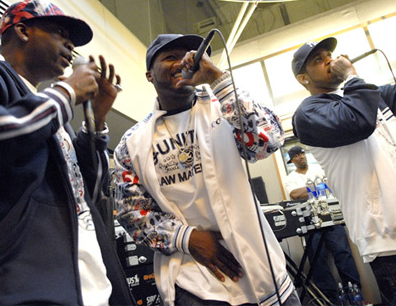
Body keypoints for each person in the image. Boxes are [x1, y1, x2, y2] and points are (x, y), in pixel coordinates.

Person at [0, 0, 134, 305]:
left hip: (90, 283)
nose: (70, 44)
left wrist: (96, 118)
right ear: (23, 30)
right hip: (21, 285)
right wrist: (66, 93)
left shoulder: (51, 112)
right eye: (58, 31)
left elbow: (88, 194)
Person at [113, 33, 299, 306]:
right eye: (170, 57)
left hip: (261, 270)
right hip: (193, 282)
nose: (183, 62)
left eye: (191, 55)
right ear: (149, 75)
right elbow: (131, 213)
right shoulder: (132, 144)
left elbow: (266, 142)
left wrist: (218, 79)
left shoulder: (224, 106)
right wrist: (188, 238)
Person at [291, 28, 396, 306]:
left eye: (329, 55)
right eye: (318, 60)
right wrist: (352, 76)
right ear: (304, 78)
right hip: (392, 238)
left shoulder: (366, 97)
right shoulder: (308, 114)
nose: (328, 60)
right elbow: (357, 122)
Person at [284, 145, 361, 304]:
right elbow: (295, 194)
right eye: (296, 156)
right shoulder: (290, 178)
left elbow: (332, 184)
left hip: (331, 214)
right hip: (309, 220)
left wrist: (311, 188)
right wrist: (320, 185)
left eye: (302, 154)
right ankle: (329, 299)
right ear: (291, 160)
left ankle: (355, 294)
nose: (301, 157)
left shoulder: (318, 168)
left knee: (343, 253)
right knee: (317, 259)